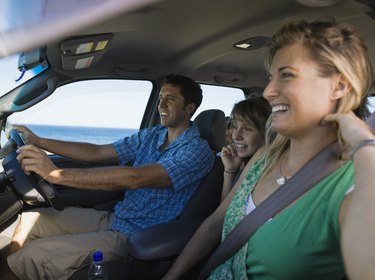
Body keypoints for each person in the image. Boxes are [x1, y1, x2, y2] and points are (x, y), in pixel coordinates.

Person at [162, 18, 375, 280]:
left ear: (338, 87)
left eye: (287, 75)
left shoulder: (353, 185)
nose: (268, 91)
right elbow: (217, 222)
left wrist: (366, 147)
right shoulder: (266, 156)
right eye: (271, 78)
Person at [3, 74, 215, 279]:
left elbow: (135, 178)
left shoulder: (197, 151)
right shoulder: (153, 135)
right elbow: (98, 152)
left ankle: (15, 269)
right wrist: (41, 142)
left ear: (190, 108)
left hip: (135, 236)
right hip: (116, 218)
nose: (162, 104)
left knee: (31, 256)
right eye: (161, 98)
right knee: (32, 221)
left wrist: (56, 175)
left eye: (171, 99)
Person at [221, 97, 271, 201]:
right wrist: (230, 171)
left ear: (268, 133)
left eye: (248, 129)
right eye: (235, 126)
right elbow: (226, 212)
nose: (236, 136)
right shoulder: (243, 163)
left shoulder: (267, 171)